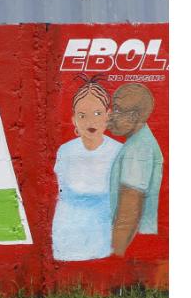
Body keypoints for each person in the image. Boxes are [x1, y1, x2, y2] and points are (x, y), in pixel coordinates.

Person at [51, 79, 122, 261]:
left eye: (98, 113)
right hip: (68, 229)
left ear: (108, 115)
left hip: (103, 232)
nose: (91, 121)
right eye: (82, 115)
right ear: (74, 119)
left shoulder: (118, 152)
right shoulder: (66, 151)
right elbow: (62, 188)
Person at [107, 83, 163, 257]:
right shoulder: (139, 142)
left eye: (116, 110)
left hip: (129, 246)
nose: (110, 116)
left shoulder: (138, 149)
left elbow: (128, 214)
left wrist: (114, 258)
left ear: (133, 116)